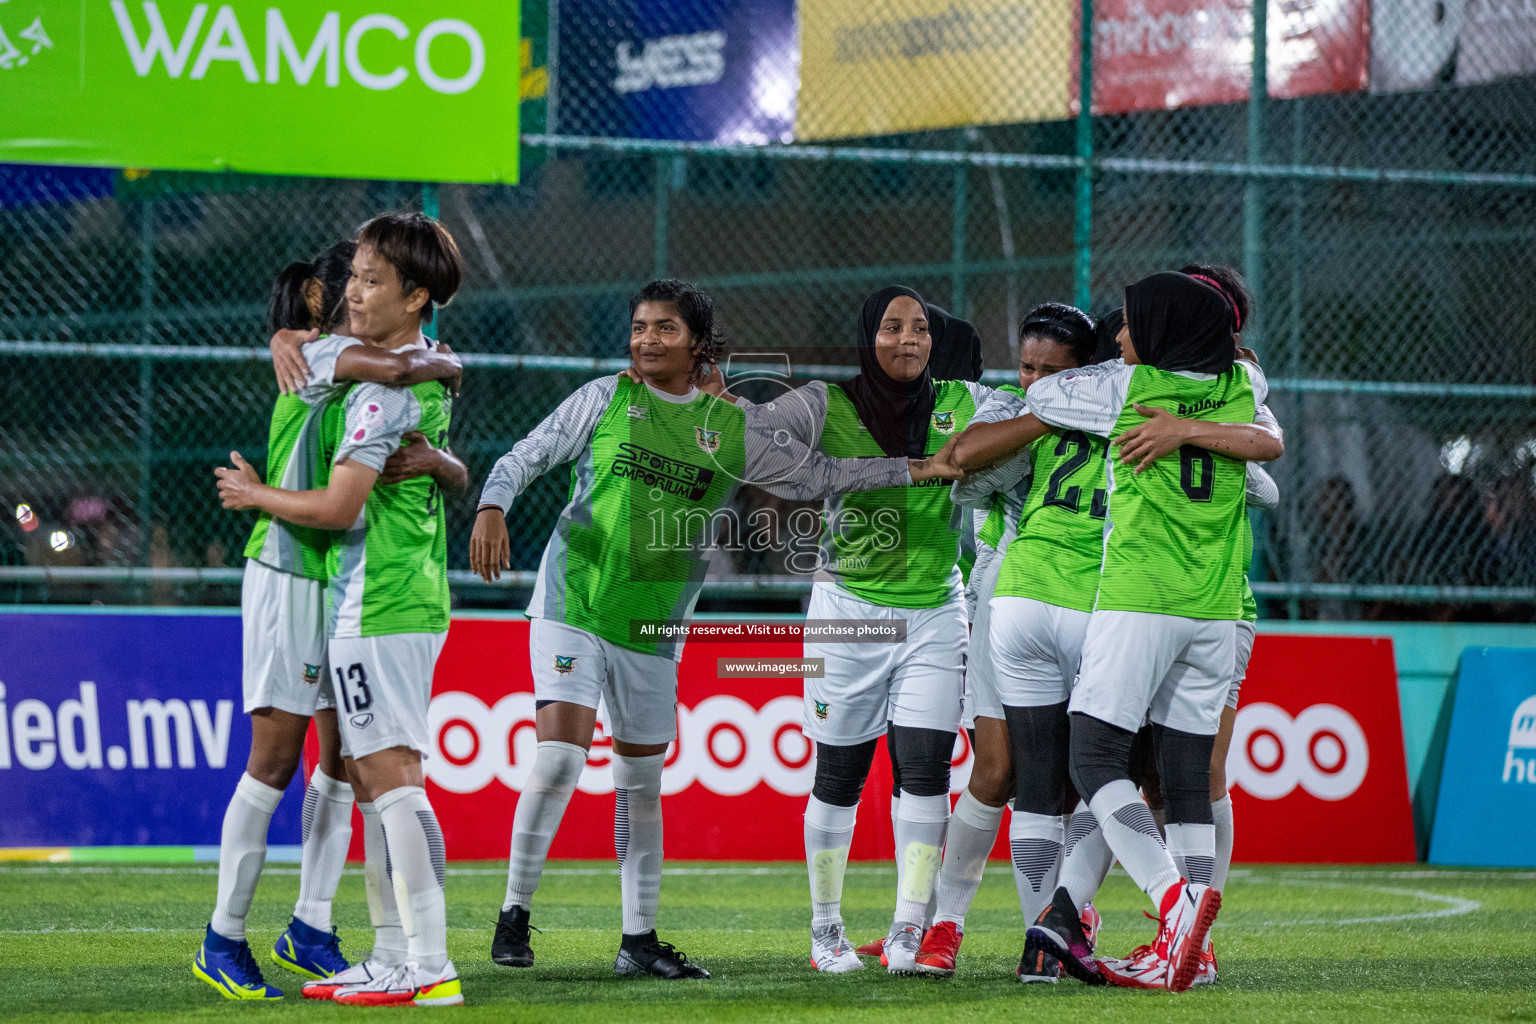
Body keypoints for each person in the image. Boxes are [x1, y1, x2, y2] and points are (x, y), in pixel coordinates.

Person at [469, 279, 964, 981]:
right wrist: (493, 503)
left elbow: (819, 474)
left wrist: (916, 468)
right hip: (572, 602)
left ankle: (637, 940)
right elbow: (527, 454)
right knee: (559, 759)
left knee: (639, 784)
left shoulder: (733, 430)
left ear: (698, 343)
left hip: (651, 627)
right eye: (639, 327)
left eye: (665, 329)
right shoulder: (606, 398)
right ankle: (514, 914)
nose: (646, 340)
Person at [953, 271, 1270, 992]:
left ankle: (1150, 915)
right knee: (1188, 781)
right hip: (1218, 605)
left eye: (1130, 324)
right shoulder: (1243, 393)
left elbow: (986, 450)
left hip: (1121, 597)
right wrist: (1197, 429)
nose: (1122, 336)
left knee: (1081, 766)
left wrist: (1028, 406)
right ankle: (1190, 948)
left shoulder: (1116, 391)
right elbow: (1267, 470)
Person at [194, 236, 465, 1002]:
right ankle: (225, 934)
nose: (355, 291)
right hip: (293, 568)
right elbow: (402, 369)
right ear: (320, 300)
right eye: (350, 278)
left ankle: (317, 925)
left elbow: (424, 425)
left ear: (404, 293)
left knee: (348, 760)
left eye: (369, 279)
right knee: (278, 760)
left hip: (345, 574)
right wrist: (448, 361)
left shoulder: (363, 357)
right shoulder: (316, 355)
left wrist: (447, 460)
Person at [912, 303, 1096, 979]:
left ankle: (1054, 928)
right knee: (995, 770)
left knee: (1072, 780)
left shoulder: (1109, 413)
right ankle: (944, 924)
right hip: (1007, 590)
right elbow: (963, 476)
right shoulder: (1009, 409)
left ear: (1086, 371)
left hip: (1094, 596)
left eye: (1054, 370)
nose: (1037, 379)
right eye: (1027, 366)